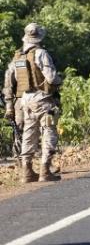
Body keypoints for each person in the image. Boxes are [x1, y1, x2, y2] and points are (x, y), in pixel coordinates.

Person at [9, 23, 62, 183]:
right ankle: (45, 169)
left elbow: (14, 80)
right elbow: (52, 78)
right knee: (48, 130)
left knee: (29, 134)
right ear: (39, 37)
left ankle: (27, 171)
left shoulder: (18, 56)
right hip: (43, 99)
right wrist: (60, 80)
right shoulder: (41, 53)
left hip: (26, 99)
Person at [3, 59, 25, 166]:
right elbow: (8, 87)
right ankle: (19, 158)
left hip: (37, 100)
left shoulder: (39, 57)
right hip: (20, 100)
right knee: (19, 129)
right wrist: (9, 107)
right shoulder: (16, 63)